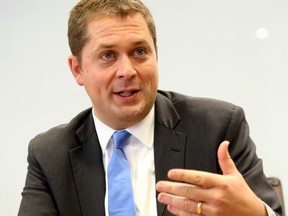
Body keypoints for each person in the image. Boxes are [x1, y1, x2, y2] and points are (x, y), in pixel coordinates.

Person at [18, 0, 283, 215]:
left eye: (139, 52)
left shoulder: (218, 128)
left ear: (156, 54)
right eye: (108, 55)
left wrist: (254, 214)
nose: (127, 70)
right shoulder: (49, 155)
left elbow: (270, 210)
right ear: (77, 69)